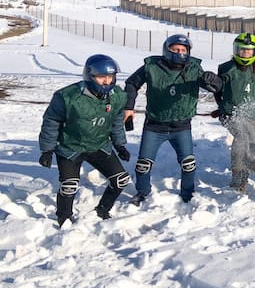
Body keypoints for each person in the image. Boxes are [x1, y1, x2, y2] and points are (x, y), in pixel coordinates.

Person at [125, 34, 222, 205]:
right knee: (143, 164)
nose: (180, 52)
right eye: (176, 49)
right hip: (155, 126)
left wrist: (214, 80)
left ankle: (187, 193)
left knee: (188, 163)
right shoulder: (152, 66)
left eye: (183, 50)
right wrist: (129, 106)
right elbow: (132, 83)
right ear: (167, 49)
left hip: (181, 126)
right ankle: (142, 192)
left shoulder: (194, 68)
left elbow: (215, 87)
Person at [38, 54, 131, 226]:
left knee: (121, 180)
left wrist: (120, 144)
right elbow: (51, 122)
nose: (107, 81)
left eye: (110, 77)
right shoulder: (67, 97)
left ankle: (102, 210)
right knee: (69, 186)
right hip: (70, 147)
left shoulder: (117, 95)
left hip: (99, 146)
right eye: (102, 77)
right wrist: (47, 149)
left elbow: (116, 121)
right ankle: (64, 217)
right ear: (89, 76)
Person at [214, 32, 255, 193]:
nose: (245, 53)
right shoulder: (226, 68)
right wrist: (223, 106)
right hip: (230, 114)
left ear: (254, 52)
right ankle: (238, 176)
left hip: (253, 114)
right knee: (242, 137)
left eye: (248, 50)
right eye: (241, 50)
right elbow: (218, 91)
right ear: (235, 50)